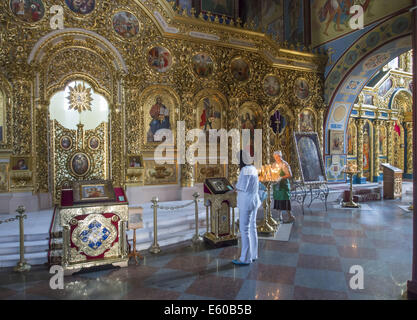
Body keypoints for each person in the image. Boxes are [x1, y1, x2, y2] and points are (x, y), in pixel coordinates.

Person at [232, 150, 261, 266]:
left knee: (244, 230)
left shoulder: (244, 170)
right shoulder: (253, 168)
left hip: (246, 203)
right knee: (252, 228)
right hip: (254, 201)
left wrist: (234, 186)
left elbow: (241, 187)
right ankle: (253, 254)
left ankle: (245, 258)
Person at [272, 151, 295, 223]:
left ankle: (290, 216)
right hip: (277, 185)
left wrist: (281, 177)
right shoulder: (274, 164)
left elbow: (290, 175)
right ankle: (279, 216)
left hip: (284, 185)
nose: (276, 159)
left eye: (277, 157)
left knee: (285, 200)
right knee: (278, 200)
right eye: (275, 157)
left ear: (280, 156)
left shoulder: (285, 164)